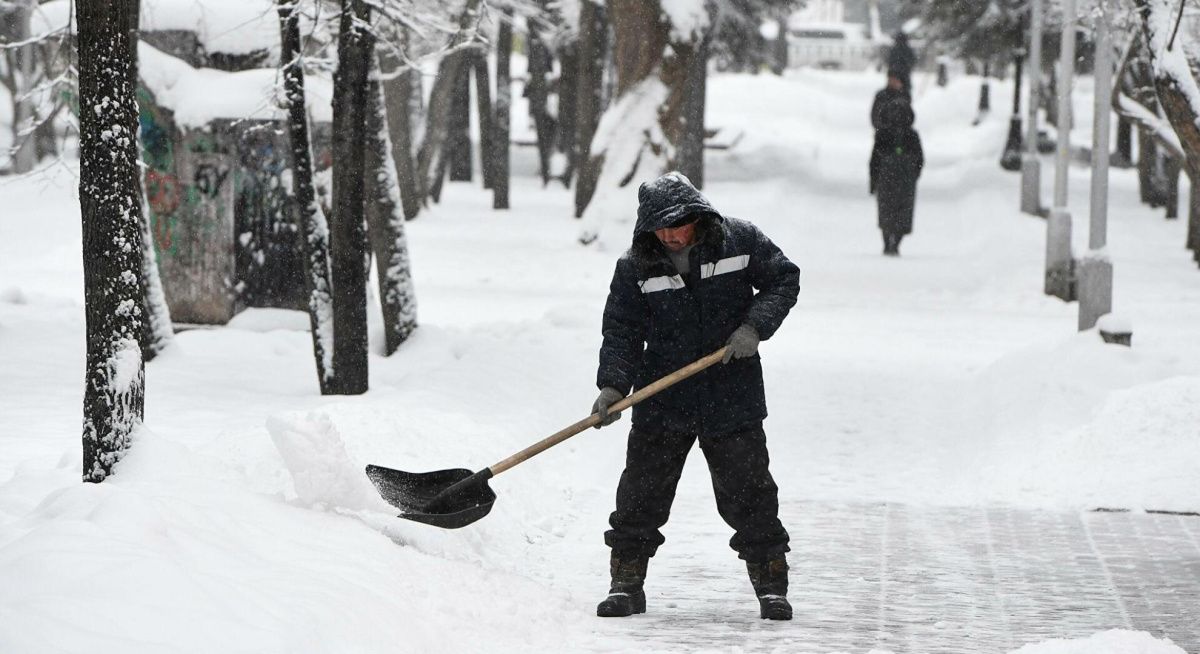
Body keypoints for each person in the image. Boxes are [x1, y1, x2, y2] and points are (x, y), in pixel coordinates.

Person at [590, 171, 800, 621]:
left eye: (677, 225)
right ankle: (626, 583)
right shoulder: (636, 265)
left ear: (697, 216)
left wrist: (754, 328)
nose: (670, 235)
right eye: (660, 228)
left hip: (731, 391)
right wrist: (612, 385)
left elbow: (784, 279)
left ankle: (771, 586)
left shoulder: (738, 240)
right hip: (663, 396)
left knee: (749, 491)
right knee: (640, 495)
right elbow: (622, 330)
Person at [869, 99, 924, 256]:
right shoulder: (911, 135)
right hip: (904, 180)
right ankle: (895, 242)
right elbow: (920, 159)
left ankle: (888, 241)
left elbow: (874, 160)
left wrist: (873, 181)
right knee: (902, 211)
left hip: (887, 179)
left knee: (887, 211)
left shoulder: (883, 134)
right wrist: (914, 174)